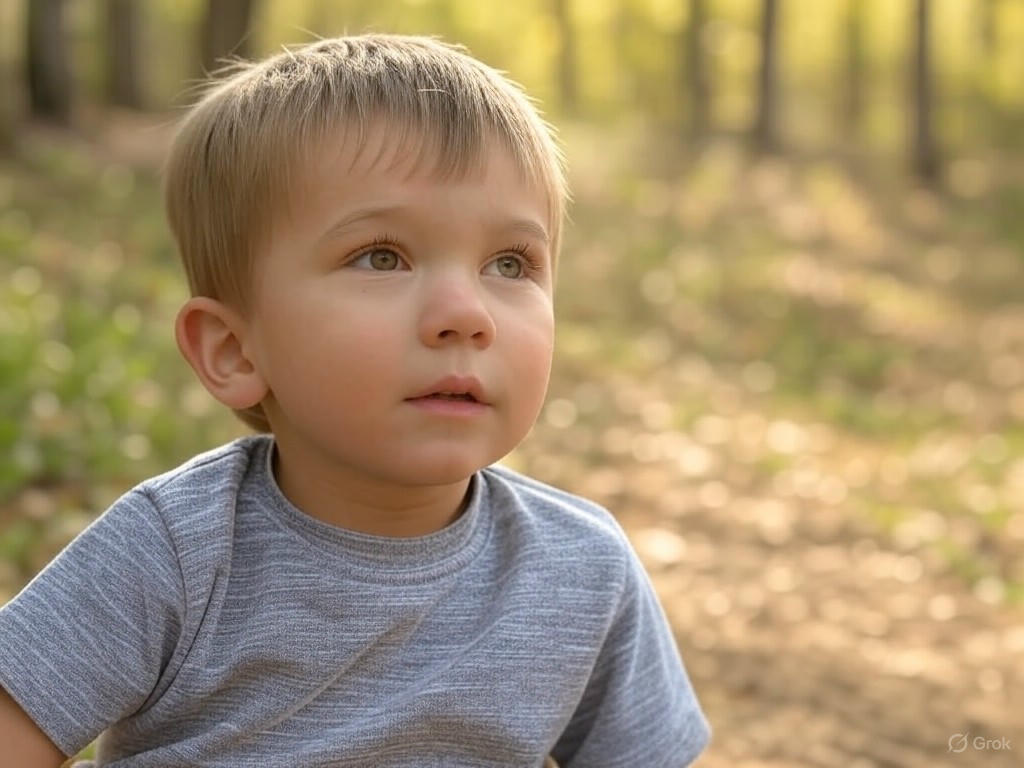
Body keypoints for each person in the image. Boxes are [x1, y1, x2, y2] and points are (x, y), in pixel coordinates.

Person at [0, 34, 711, 767]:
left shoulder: (580, 571)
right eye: (381, 257)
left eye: (509, 264)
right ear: (234, 350)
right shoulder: (174, 554)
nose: (466, 314)